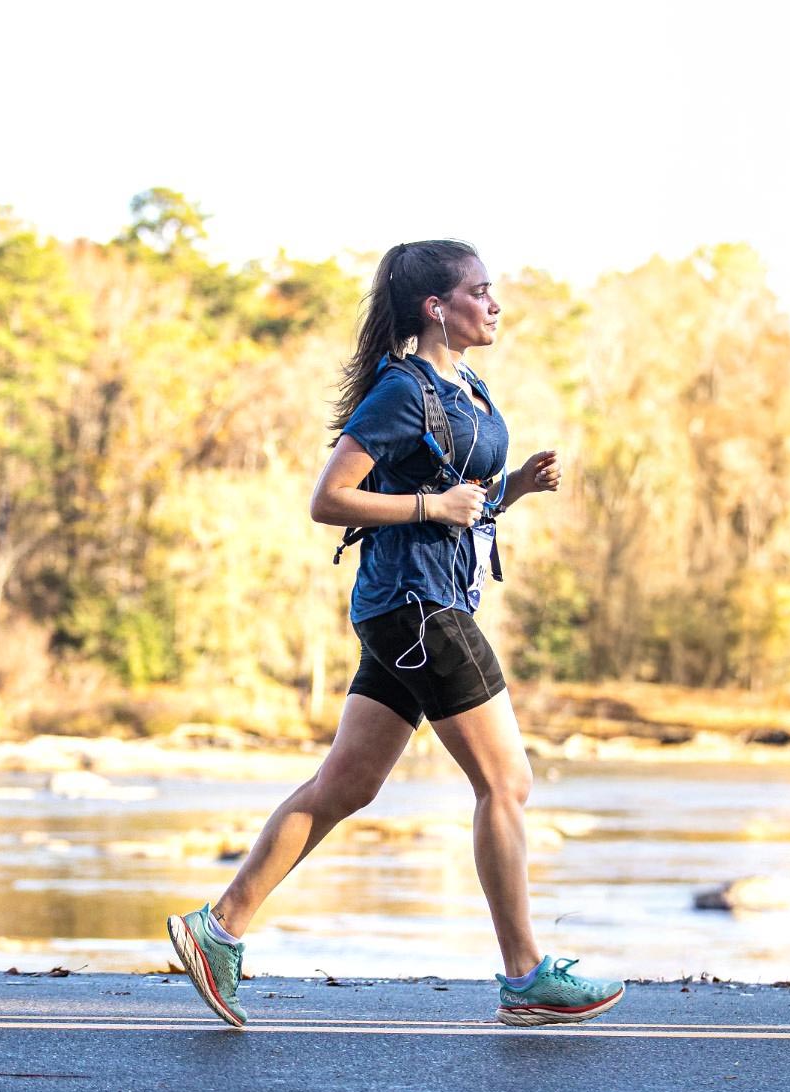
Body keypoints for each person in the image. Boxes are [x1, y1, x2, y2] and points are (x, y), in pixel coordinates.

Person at [166, 239, 623, 1029]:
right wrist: (430, 509)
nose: (495, 303)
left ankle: (219, 928)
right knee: (506, 783)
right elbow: (329, 498)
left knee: (348, 783)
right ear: (435, 308)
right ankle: (524, 974)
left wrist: (508, 491)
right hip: (417, 609)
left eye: (494, 291)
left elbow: (453, 501)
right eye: (480, 292)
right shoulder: (404, 391)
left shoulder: (466, 385)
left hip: (416, 603)